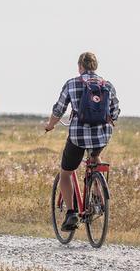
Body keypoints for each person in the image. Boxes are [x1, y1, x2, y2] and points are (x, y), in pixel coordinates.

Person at [43, 51, 120, 231]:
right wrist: (108, 121)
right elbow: (115, 110)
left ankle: (71, 213)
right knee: (95, 156)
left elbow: (59, 109)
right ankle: (98, 198)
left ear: (80, 67)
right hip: (102, 136)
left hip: (78, 136)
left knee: (66, 173)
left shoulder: (72, 83)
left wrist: (50, 126)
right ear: (95, 66)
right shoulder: (106, 84)